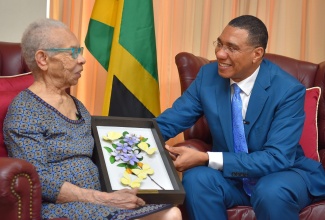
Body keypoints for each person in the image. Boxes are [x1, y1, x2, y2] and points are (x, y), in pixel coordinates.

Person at [3, 18, 181, 220]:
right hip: (58, 207)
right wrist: (103, 199)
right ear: (43, 59)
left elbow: (105, 152)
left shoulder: (78, 106)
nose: (82, 59)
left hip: (98, 200)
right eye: (73, 53)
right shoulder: (25, 110)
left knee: (171, 212)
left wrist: (151, 153)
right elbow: (38, 179)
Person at [156, 15, 325, 220]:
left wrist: (207, 158)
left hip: (282, 174)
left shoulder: (288, 90)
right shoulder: (208, 77)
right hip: (232, 179)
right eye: (219, 44)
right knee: (196, 178)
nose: (219, 53)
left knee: (270, 191)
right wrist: (131, 140)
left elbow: (276, 158)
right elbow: (169, 122)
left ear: (257, 53)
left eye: (232, 48)